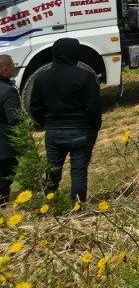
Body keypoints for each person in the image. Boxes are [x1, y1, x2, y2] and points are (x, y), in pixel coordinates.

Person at [28, 38, 101, 202]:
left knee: (52, 172)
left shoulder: (41, 78)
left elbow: (35, 108)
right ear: (76, 54)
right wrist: (94, 128)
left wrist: (48, 123)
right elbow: (93, 108)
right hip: (81, 130)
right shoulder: (85, 77)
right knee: (79, 172)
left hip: (54, 132)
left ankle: (50, 205)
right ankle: (77, 208)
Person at [0, 55, 22, 204]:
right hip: (4, 145)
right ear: (5, 69)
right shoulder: (7, 90)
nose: (14, 67)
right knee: (3, 180)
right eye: (13, 65)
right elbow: (15, 118)